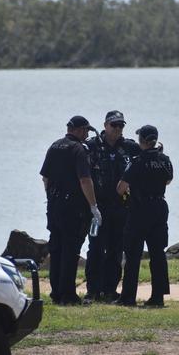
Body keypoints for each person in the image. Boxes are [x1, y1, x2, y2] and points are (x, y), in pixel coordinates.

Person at [40, 115, 102, 305]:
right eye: (85, 130)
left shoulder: (54, 146)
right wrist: (93, 206)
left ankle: (56, 292)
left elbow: (45, 178)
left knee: (56, 249)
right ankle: (68, 294)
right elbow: (85, 180)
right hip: (73, 208)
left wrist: (51, 198)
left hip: (54, 205)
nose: (86, 135)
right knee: (71, 250)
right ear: (78, 130)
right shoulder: (79, 149)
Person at [84, 110, 141, 303]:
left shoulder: (129, 147)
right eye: (114, 125)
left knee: (117, 250)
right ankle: (93, 290)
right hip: (98, 208)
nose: (117, 129)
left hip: (121, 208)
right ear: (105, 125)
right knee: (96, 249)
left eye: (121, 126)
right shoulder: (91, 146)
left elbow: (147, 157)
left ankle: (110, 289)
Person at [115, 125, 173, 307]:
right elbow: (168, 180)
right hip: (159, 207)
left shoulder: (137, 161)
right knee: (158, 254)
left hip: (140, 209)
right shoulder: (165, 160)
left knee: (133, 254)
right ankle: (158, 297)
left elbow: (121, 188)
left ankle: (128, 297)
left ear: (141, 141)